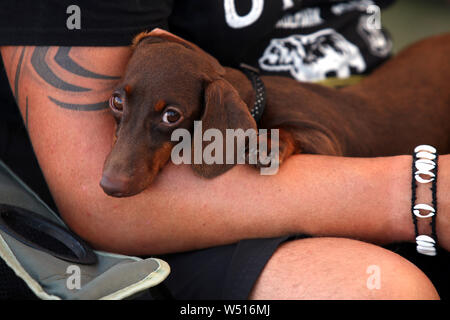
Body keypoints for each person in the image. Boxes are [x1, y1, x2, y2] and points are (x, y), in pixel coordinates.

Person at [0, 0, 447, 299]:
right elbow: (99, 196)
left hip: (375, 102)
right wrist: (422, 193)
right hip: (157, 225)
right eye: (119, 104)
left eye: (168, 118)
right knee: (378, 290)